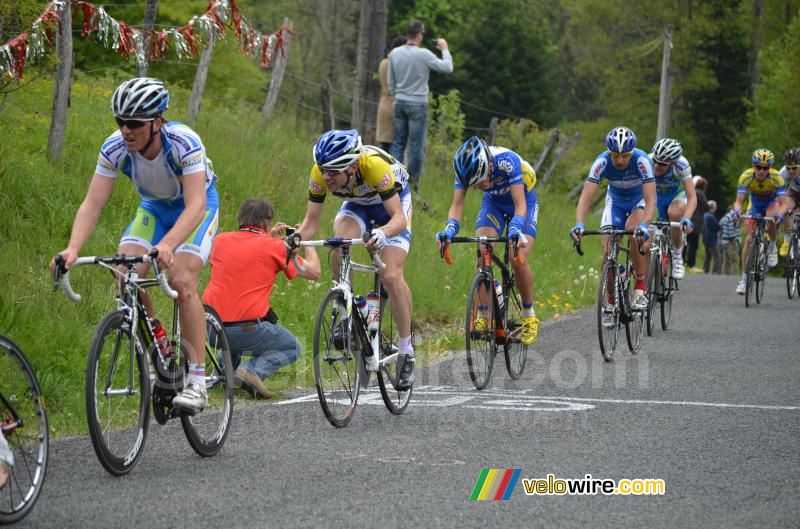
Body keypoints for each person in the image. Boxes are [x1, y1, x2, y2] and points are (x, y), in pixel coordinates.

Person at [50, 78, 220, 411]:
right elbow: (92, 204)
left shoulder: (184, 142)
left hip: (196, 207)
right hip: (154, 208)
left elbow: (197, 205)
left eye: (134, 124)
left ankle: (198, 381)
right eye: (120, 122)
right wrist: (72, 249)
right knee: (124, 272)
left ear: (157, 122)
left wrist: (169, 244)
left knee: (182, 281)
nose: (125, 130)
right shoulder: (114, 147)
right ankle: (157, 339)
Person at [295, 129, 416, 390]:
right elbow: (311, 223)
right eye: (323, 170)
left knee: (391, 275)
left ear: (352, 166)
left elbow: (398, 219)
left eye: (333, 172)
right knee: (339, 244)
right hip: (357, 204)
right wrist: (294, 239)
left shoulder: (374, 167)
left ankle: (407, 349)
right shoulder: (320, 173)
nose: (326, 178)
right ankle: (348, 309)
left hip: (393, 206)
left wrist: (383, 233)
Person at [202, 199, 321, 398]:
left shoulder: (220, 241)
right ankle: (252, 371)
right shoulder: (276, 247)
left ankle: (226, 372)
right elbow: (314, 272)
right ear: (266, 221)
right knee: (292, 347)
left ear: (240, 219)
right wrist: (307, 242)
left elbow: (247, 253)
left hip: (209, 329)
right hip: (246, 331)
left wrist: (268, 237)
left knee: (230, 316)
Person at [437, 136, 540, 345]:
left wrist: (515, 227)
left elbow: (520, 205)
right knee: (482, 252)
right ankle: (484, 315)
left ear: (490, 168)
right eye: (472, 184)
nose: (475, 188)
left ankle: (528, 314)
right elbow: (457, 206)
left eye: (479, 182)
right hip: (493, 204)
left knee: (516, 256)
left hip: (523, 203)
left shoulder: (507, 162)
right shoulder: (465, 170)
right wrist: (449, 229)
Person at [570, 126, 655, 313]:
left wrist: (644, 224)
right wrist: (579, 224)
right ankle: (610, 301)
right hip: (615, 203)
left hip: (638, 202)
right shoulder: (601, 162)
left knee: (634, 234)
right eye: (615, 155)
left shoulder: (642, 160)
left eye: (625, 155)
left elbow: (651, 201)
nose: (620, 160)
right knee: (607, 252)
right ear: (609, 152)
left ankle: (640, 287)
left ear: (631, 153)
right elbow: (585, 198)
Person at [388, 19, 453, 193]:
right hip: (418, 104)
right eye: (423, 33)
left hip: (400, 102)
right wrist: (444, 49)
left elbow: (391, 82)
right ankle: (412, 187)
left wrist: (398, 94)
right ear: (419, 34)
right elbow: (447, 67)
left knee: (398, 144)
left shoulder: (395, 53)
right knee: (416, 147)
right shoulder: (424, 54)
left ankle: (393, 183)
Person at [733, 148, 787, 294]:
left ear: (770, 168)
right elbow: (738, 201)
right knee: (749, 239)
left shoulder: (777, 178)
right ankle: (744, 280)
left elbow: (784, 204)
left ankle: (772, 246)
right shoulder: (745, 176)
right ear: (753, 165)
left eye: (765, 167)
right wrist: (737, 211)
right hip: (755, 204)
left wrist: (780, 215)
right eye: (758, 167)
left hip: (772, 203)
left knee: (771, 217)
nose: (762, 171)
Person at [650, 138, 697, 279]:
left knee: (675, 213)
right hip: (655, 196)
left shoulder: (682, 165)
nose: (656, 166)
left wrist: (687, 218)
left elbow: (692, 197)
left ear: (672, 163)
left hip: (675, 195)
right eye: (655, 160)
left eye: (662, 164)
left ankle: (677, 257)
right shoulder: (646, 160)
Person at [376, 36, 407, 152]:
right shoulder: (398, 64)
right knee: (396, 143)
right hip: (396, 103)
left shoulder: (384, 62)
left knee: (384, 142)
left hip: (384, 104)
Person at [778, 147, 800, 257]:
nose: (791, 171)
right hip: (794, 192)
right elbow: (776, 191)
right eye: (788, 168)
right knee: (785, 208)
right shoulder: (783, 172)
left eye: (795, 168)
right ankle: (786, 241)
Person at [686, 175, 709, 270]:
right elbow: (706, 207)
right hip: (696, 224)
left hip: (688, 219)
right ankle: (691, 263)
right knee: (693, 245)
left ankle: (682, 261)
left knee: (685, 242)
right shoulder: (701, 194)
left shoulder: (691, 192)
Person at [719, 204, 741, 275]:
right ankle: (733, 276)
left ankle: (725, 275)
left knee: (727, 260)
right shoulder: (732, 215)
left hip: (724, 240)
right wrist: (733, 239)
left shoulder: (727, 216)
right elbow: (731, 227)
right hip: (730, 241)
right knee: (735, 260)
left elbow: (722, 224)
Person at [702, 200, 721, 274]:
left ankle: (705, 270)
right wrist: (719, 226)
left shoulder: (705, 215)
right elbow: (717, 227)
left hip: (705, 238)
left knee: (708, 256)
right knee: (716, 257)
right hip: (711, 239)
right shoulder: (711, 216)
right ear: (713, 207)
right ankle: (715, 272)